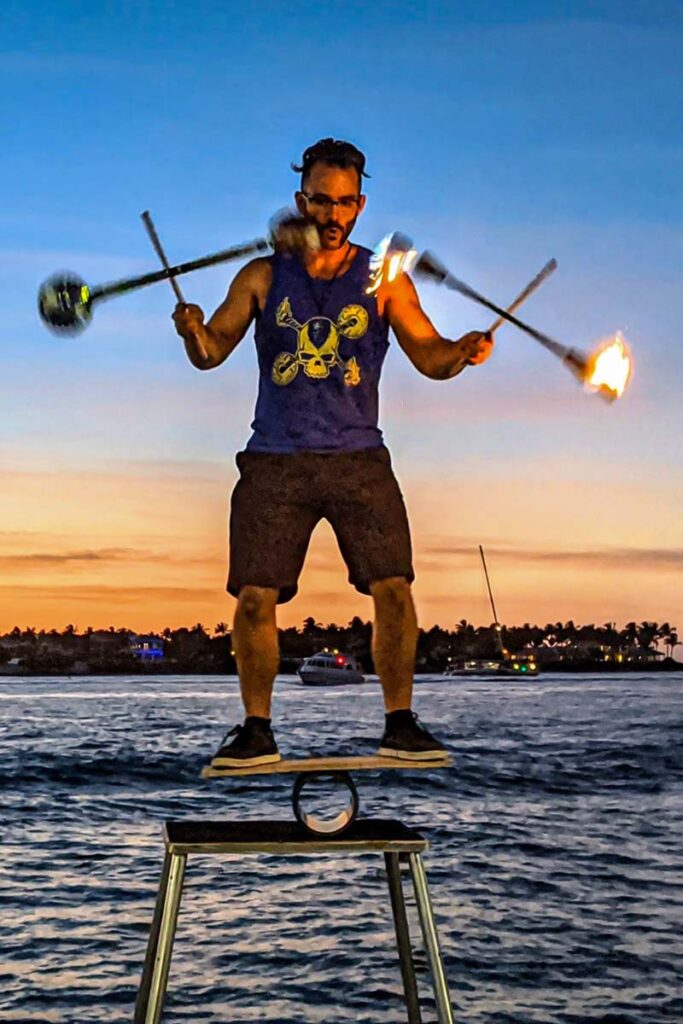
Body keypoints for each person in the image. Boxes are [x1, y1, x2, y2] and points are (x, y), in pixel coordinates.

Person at [173, 138, 493, 767]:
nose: (334, 214)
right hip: (274, 459)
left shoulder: (383, 280)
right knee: (254, 597)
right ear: (303, 200)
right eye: (322, 200)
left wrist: (461, 351)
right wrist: (192, 331)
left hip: (358, 458)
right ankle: (256, 732)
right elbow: (212, 353)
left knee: (395, 586)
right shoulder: (262, 275)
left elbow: (429, 356)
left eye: (346, 203)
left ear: (360, 204)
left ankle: (400, 725)